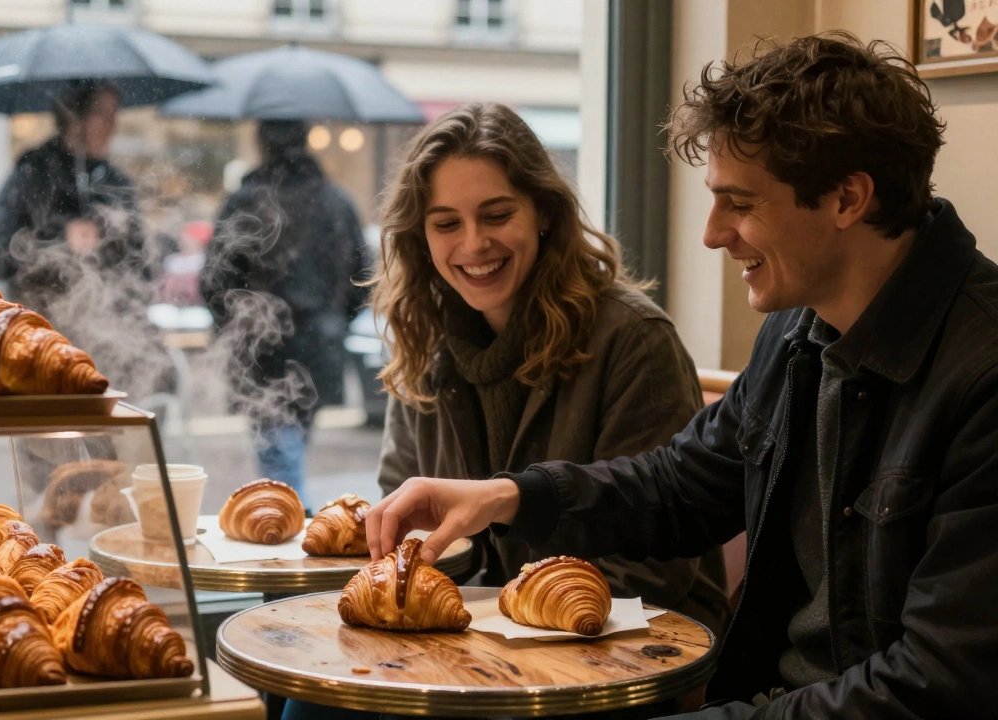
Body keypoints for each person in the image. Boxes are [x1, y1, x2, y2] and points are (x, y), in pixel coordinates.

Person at [366, 34, 998, 719]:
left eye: (741, 203)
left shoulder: (981, 374)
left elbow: (939, 683)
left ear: (848, 199)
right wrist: (507, 497)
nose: (711, 233)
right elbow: (679, 488)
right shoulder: (799, 330)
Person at [282, 103, 729, 720]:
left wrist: (480, 615)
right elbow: (401, 522)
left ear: (544, 213)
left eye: (496, 215)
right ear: (421, 237)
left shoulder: (631, 339)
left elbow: (651, 569)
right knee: (309, 698)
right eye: (446, 224)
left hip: (616, 656)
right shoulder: (426, 343)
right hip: (471, 643)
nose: (473, 244)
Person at [201, 120, 369, 506]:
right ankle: (289, 515)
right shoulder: (335, 200)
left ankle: (290, 521)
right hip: (319, 347)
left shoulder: (246, 200)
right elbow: (365, 278)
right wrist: (334, 320)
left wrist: (236, 324)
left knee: (278, 456)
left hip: (262, 349)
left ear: (262, 144)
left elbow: (215, 280)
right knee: (290, 446)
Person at [0, 79, 149, 318]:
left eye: (115, 115)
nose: (113, 126)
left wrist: (106, 242)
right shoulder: (34, 174)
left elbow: (141, 268)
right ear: (73, 116)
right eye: (102, 114)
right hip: (40, 327)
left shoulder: (118, 184)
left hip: (108, 330)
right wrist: (59, 238)